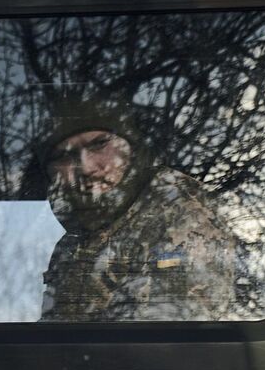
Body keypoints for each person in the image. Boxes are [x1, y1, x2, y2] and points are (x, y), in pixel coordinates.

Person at [39, 99, 248, 322]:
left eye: (99, 144)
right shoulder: (73, 238)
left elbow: (167, 335)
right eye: (64, 156)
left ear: (129, 148)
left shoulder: (177, 211)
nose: (87, 167)